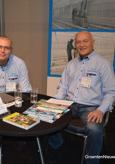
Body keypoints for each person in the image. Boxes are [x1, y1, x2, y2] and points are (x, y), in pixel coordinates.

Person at [48, 31, 115, 164]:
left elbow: (110, 92)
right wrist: (53, 103)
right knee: (49, 117)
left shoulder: (103, 64)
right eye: (78, 42)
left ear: (93, 42)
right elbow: (63, 88)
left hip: (92, 107)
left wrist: (101, 110)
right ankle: (57, 146)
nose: (81, 44)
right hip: (70, 104)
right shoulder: (71, 64)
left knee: (95, 130)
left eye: (85, 41)